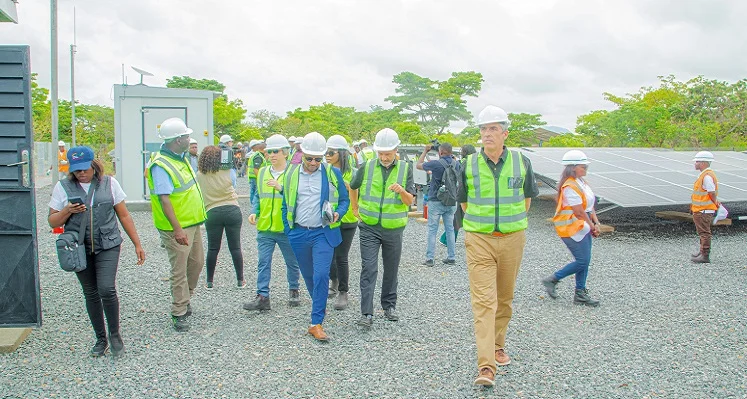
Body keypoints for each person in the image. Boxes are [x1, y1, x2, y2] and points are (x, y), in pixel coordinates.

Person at [460, 106, 539, 387]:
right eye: (483, 129)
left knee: (504, 299)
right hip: (479, 240)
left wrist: (508, 224)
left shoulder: (522, 162)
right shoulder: (467, 164)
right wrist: (483, 226)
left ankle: (497, 344)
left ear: (505, 133)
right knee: (484, 303)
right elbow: (464, 202)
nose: (487, 134)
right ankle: (486, 366)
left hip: (512, 239)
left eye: (493, 128)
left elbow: (527, 201)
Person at [47, 146, 145, 357]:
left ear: (94, 165)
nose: (81, 173)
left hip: (108, 244)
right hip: (78, 247)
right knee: (90, 292)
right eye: (77, 170)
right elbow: (52, 220)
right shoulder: (62, 187)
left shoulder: (110, 184)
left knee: (106, 288)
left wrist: (137, 243)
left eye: (85, 169)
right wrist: (67, 211)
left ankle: (115, 334)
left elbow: (124, 215)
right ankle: (100, 338)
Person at [281, 132, 349, 341]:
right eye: (309, 158)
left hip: (323, 232)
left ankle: (316, 322)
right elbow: (285, 204)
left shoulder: (331, 173)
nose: (313, 163)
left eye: (318, 159)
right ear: (301, 154)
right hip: (299, 233)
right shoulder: (291, 173)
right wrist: (289, 230)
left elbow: (345, 200)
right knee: (309, 277)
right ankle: (319, 307)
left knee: (321, 275)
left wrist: (339, 213)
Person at [145, 117, 208, 332]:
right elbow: (165, 199)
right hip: (177, 228)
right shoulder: (161, 165)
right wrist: (177, 229)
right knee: (179, 269)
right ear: (177, 140)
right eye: (186, 136)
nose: (190, 140)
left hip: (193, 223)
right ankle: (179, 311)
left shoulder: (180, 159)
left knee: (197, 263)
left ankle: (185, 297)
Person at [351, 128, 415, 328]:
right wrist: (355, 208)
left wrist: (402, 190)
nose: (384, 157)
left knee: (391, 269)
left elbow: (410, 201)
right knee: (368, 268)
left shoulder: (406, 168)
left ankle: (388, 306)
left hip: (393, 228)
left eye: (388, 153)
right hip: (369, 227)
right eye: (381, 153)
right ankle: (366, 313)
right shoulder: (367, 166)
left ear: (396, 150)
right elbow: (353, 186)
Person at [244, 134, 302, 311]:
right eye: (269, 152)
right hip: (265, 228)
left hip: (286, 228)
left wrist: (281, 188)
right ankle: (263, 296)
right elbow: (258, 195)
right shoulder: (262, 171)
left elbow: (299, 198)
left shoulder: (294, 173)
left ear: (285, 152)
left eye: (275, 151)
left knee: (292, 261)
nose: (272, 155)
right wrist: (255, 211)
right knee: (263, 262)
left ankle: (294, 290)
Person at [541, 150, 600, 307]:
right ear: (573, 167)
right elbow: (579, 211)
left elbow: (589, 205)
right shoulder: (569, 186)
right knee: (582, 261)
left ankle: (580, 293)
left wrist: (596, 222)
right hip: (571, 227)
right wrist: (592, 225)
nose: (586, 169)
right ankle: (553, 279)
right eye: (583, 166)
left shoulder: (581, 182)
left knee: (585, 261)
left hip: (582, 225)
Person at [196, 145, 245, 289]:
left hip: (212, 211)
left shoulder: (199, 175)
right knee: (235, 247)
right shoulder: (228, 171)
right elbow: (233, 185)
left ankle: (209, 281)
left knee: (213, 248)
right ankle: (240, 280)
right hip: (232, 209)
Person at [324, 135, 359, 310]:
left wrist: (350, 187)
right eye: (325, 152)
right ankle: (334, 281)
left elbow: (359, 195)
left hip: (347, 220)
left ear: (342, 153)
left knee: (341, 256)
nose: (327, 155)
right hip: (330, 219)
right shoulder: (325, 170)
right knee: (329, 254)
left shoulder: (353, 172)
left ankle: (343, 292)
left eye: (331, 152)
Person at [417, 142, 459, 266]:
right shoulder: (456, 164)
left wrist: (425, 151)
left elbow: (419, 165)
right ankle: (451, 257)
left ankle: (430, 258)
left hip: (436, 200)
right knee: (450, 229)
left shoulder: (436, 164)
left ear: (440, 152)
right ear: (451, 152)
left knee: (432, 229)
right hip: (451, 201)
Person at [440, 144, 477, 246]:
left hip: (460, 194)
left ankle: (447, 240)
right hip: (474, 195)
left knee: (456, 219)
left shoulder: (461, 163)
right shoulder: (477, 163)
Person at [690, 151, 720, 263]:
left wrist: (716, 203)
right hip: (701, 210)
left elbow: (711, 192)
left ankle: (705, 255)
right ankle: (702, 251)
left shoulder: (707, 176)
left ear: (703, 163)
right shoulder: (705, 175)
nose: (695, 163)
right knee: (702, 232)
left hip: (703, 210)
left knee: (704, 233)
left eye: (697, 161)